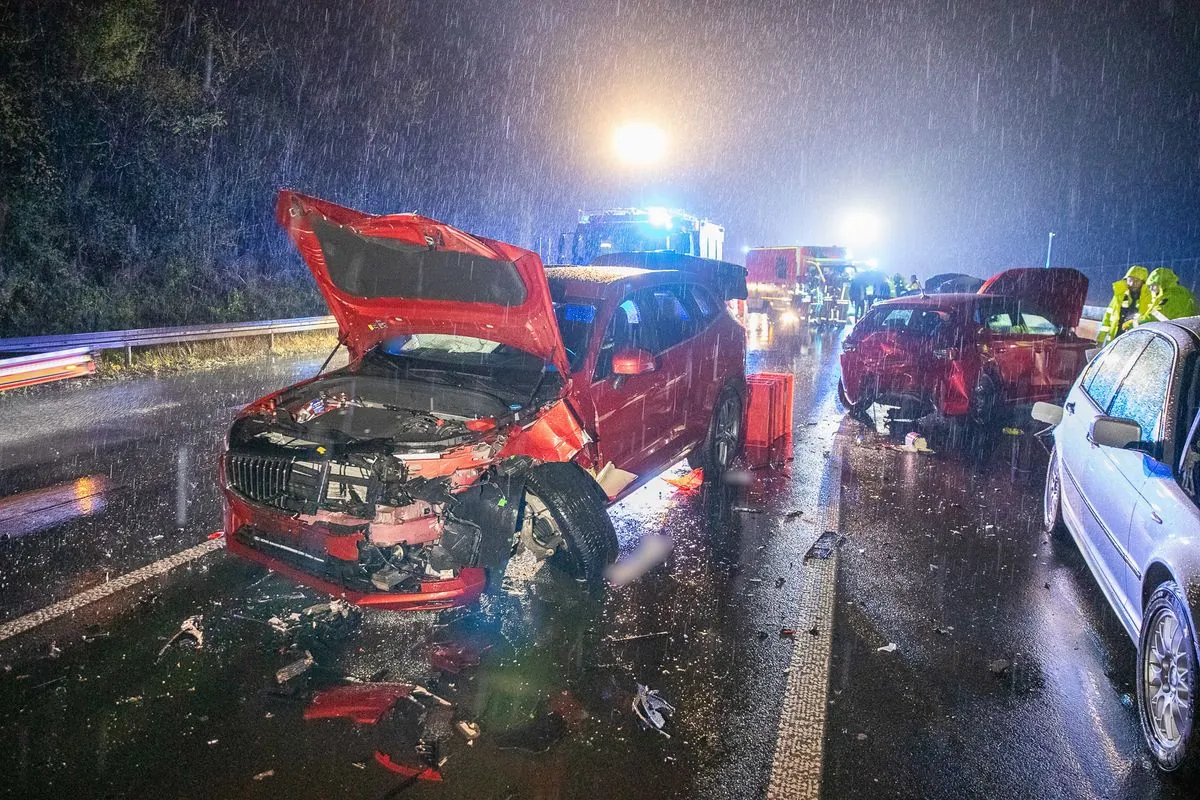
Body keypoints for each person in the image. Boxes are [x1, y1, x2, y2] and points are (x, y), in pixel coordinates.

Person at [1097, 265, 1150, 345]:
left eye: (1137, 280)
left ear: (1143, 282)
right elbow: (1107, 318)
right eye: (1130, 280)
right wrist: (1101, 338)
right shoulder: (1118, 296)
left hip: (1135, 341)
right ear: (1126, 280)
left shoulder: (1149, 299)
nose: (1132, 283)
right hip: (1114, 340)